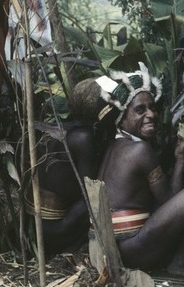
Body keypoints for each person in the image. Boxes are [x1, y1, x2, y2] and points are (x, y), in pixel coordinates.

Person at [92, 69, 184, 277]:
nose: (151, 114)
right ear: (122, 119)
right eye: (140, 110)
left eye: (152, 108)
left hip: (109, 251)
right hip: (133, 251)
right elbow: (169, 202)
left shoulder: (114, 147)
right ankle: (180, 261)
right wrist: (180, 159)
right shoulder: (140, 150)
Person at [24, 78, 119, 254]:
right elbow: (89, 195)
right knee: (97, 198)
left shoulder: (59, 129)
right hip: (55, 231)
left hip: (36, 225)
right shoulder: (83, 138)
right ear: (103, 113)